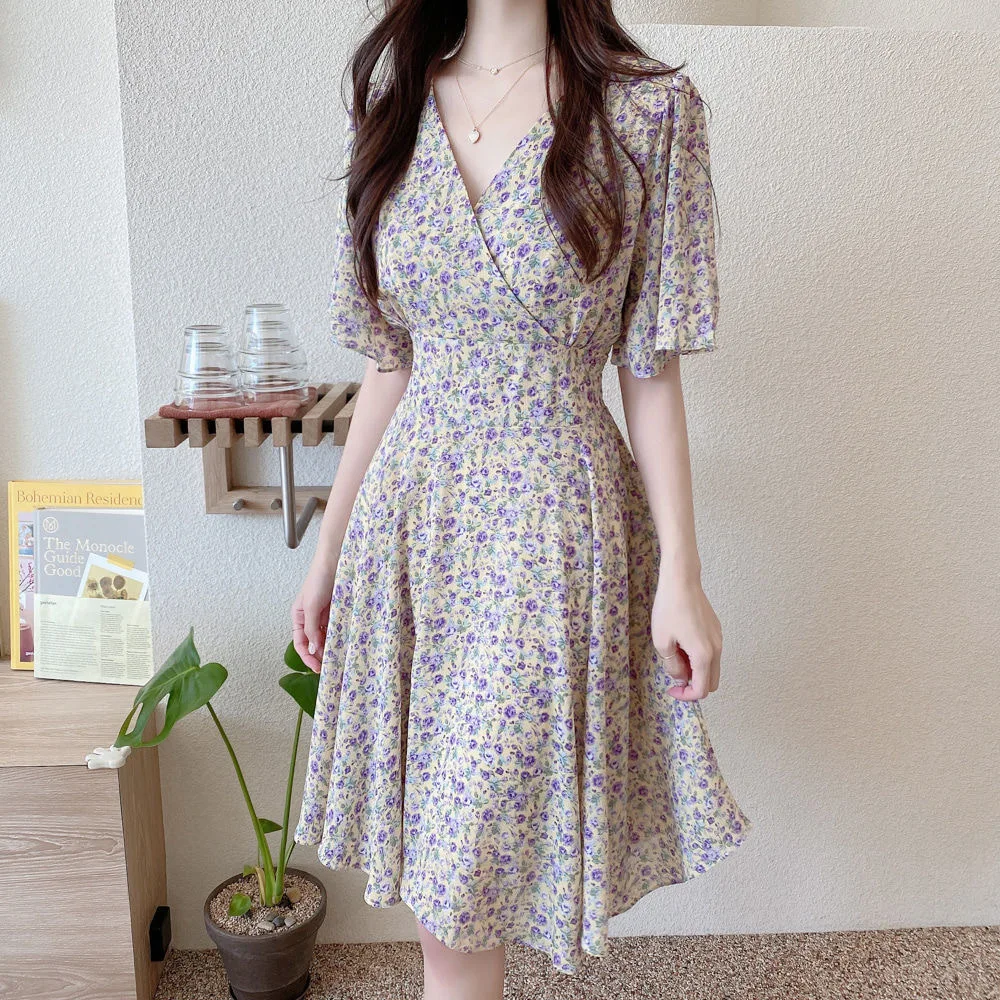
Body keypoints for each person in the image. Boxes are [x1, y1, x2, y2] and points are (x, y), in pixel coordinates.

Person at [291, 2, 753, 997]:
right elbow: (389, 361)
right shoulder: (395, 105)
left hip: (551, 528)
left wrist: (682, 573)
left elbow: (650, 366)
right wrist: (329, 551)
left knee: (464, 866)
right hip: (412, 528)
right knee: (441, 888)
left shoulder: (648, 112)